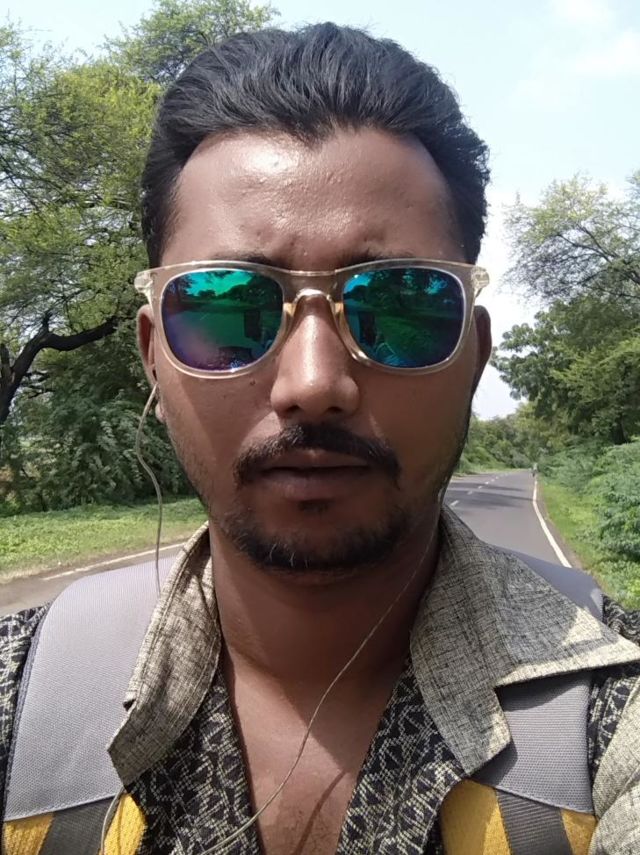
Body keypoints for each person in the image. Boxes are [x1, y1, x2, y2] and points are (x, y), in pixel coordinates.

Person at [2, 23, 640, 855]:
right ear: (155, 358)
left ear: (474, 355)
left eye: (400, 305)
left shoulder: (612, 709)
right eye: (228, 308)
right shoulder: (20, 699)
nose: (313, 382)